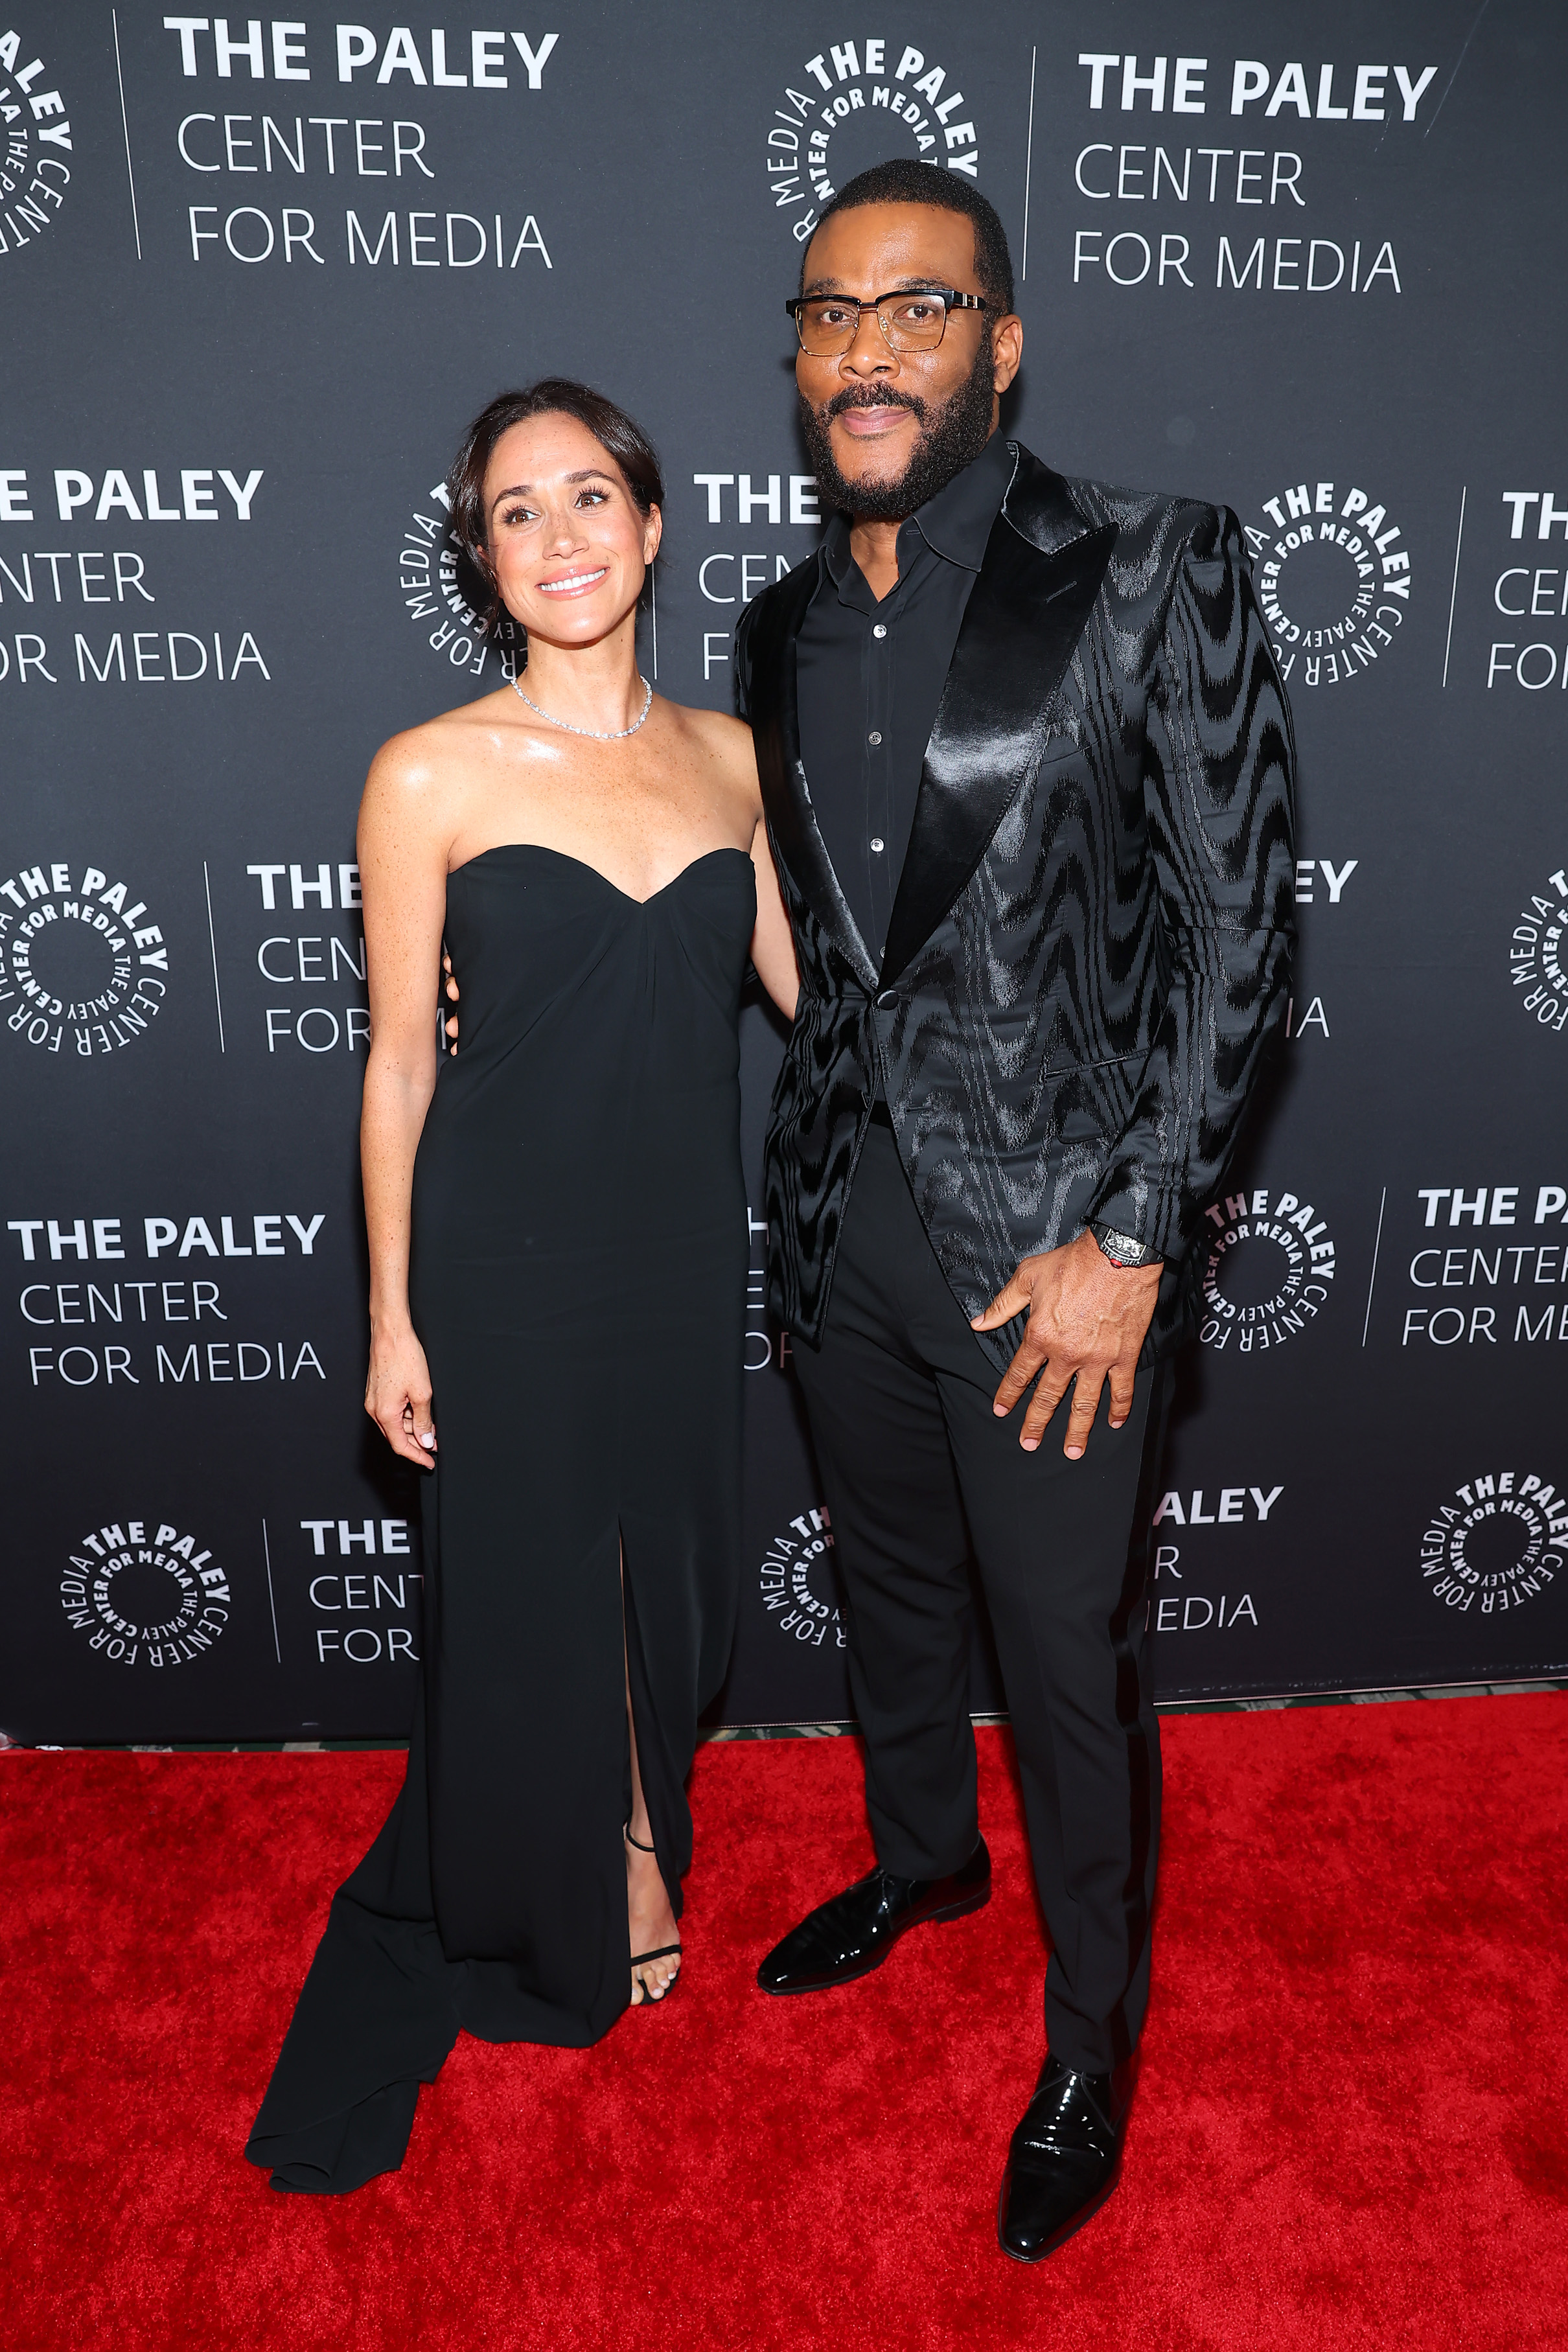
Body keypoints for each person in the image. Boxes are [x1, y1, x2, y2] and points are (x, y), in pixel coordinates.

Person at [735, 161, 1297, 2261]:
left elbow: (1245, 926)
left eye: (917, 308)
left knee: (1059, 1655)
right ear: (795, 356)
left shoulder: (1153, 568)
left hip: (1059, 1249)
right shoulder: (780, 617)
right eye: (827, 314)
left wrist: (1137, 1235)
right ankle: (916, 1857)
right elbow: (814, 933)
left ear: (1001, 339)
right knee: (891, 1590)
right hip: (842, 1215)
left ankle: (1089, 2034)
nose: (866, 348)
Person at [245, 380, 798, 2194]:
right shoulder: (430, 770)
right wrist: (392, 1316)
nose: (558, 537)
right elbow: (400, 1059)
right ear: (481, 561)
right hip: (498, 1252)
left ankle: (636, 1810)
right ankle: (617, 1857)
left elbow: (829, 1008)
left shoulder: (733, 757)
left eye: (588, 498)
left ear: (651, 526)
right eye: (513, 512)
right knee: (530, 1589)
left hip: (671, 1239)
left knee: (677, 1576)